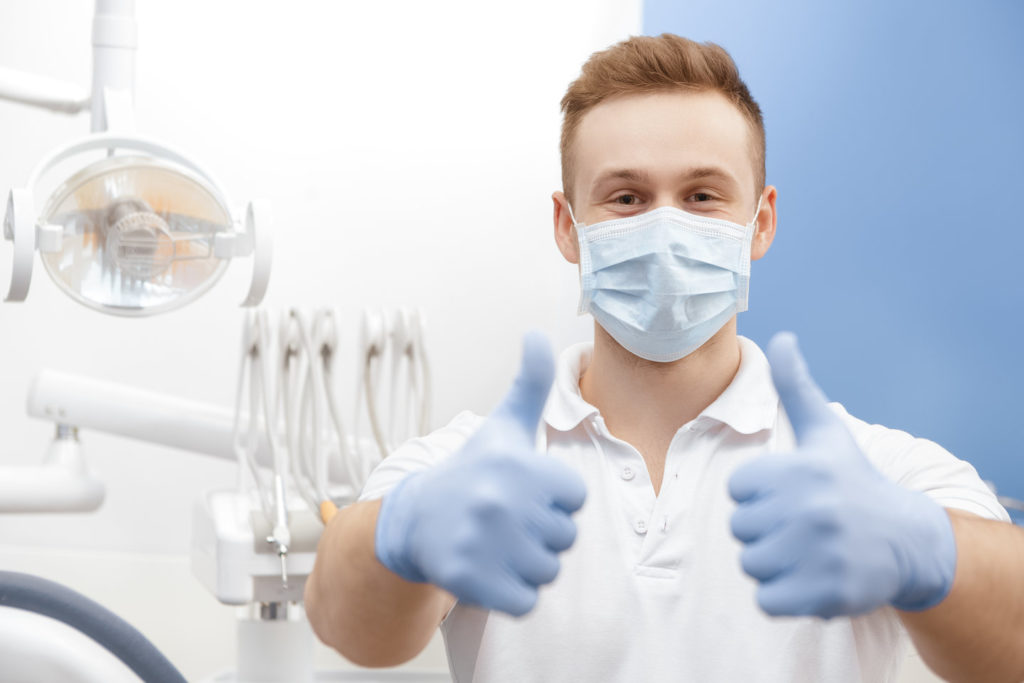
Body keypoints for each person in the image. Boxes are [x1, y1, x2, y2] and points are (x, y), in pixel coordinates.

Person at [305, 34, 1024, 682]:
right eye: (626, 197)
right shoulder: (478, 474)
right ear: (568, 226)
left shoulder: (867, 476)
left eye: (703, 194)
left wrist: (930, 552)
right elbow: (342, 621)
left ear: (760, 222)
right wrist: (399, 538)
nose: (666, 226)